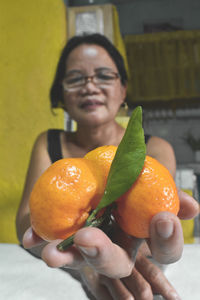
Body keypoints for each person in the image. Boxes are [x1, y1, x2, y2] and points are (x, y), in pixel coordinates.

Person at [16, 33, 199, 300]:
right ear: (61, 95)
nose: (90, 86)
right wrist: (83, 265)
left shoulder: (155, 149)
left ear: (123, 89)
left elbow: (149, 228)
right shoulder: (48, 142)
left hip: (134, 267)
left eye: (103, 75)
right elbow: (26, 223)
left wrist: (111, 262)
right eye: (76, 78)